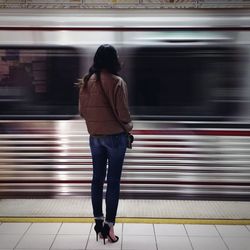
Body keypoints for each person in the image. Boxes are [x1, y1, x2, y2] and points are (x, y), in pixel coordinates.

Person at [78, 44, 133, 244]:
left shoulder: (86, 82)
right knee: (113, 182)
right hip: (115, 138)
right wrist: (129, 125)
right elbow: (123, 114)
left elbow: (82, 112)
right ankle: (109, 227)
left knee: (97, 180)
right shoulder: (118, 82)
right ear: (113, 60)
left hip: (95, 138)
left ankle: (98, 223)